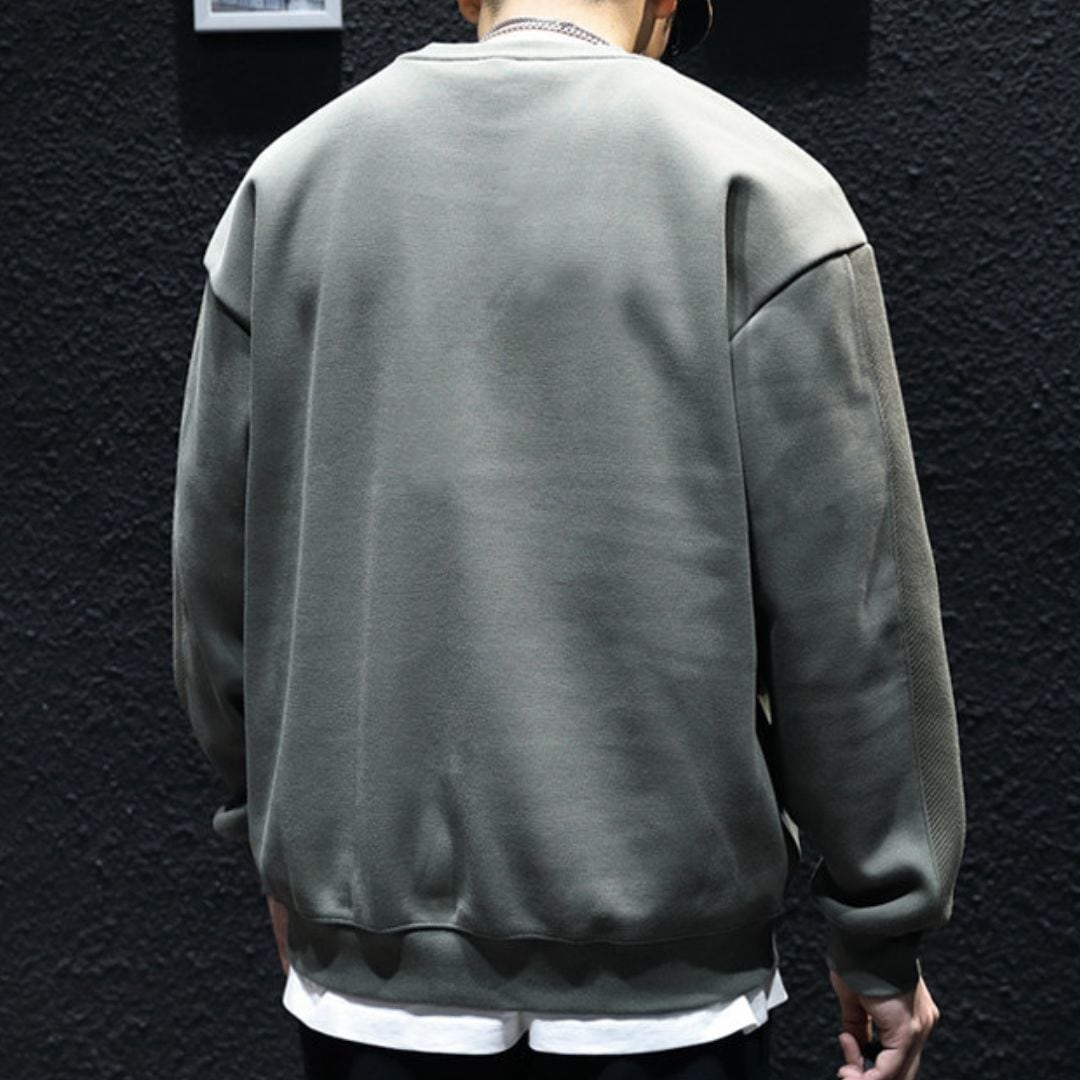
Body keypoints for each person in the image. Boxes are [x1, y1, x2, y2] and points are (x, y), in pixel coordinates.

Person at [171, 1, 966, 1077]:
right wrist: (881, 927)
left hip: (369, 971)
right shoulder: (760, 192)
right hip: (668, 983)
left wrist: (281, 842)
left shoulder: (291, 188)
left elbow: (216, 587)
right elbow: (856, 617)